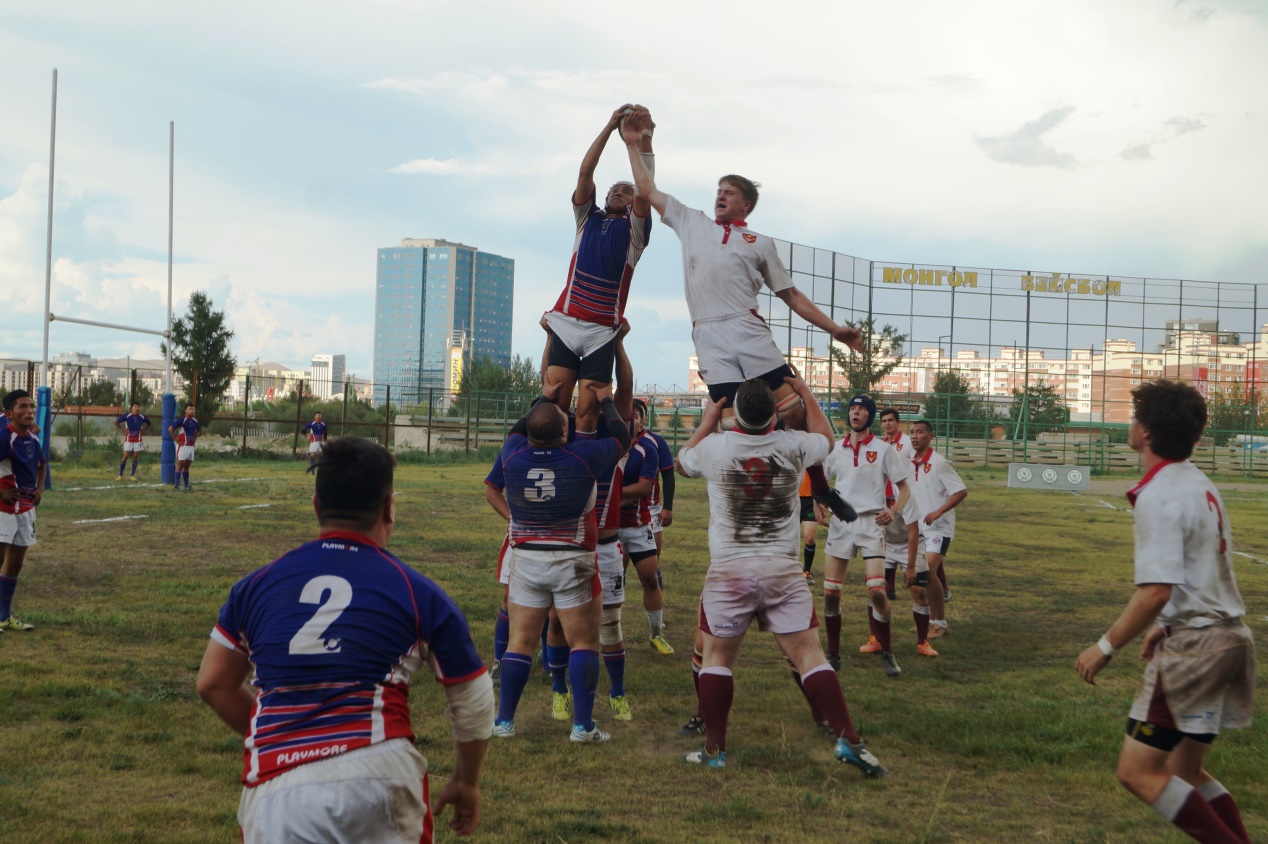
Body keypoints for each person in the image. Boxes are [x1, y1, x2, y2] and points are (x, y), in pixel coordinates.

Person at [197, 437, 492, 842]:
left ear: (317, 506)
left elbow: (213, 683)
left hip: (279, 793)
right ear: (389, 507)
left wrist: (287, 737)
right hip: (380, 775)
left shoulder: (254, 587)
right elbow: (472, 696)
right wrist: (466, 779)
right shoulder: (417, 591)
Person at [619, 109, 860, 525]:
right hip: (709, 335)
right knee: (733, 422)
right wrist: (637, 143)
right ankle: (744, 501)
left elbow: (792, 295)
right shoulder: (692, 221)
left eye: (729, 192)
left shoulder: (759, 242)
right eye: (718, 190)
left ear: (745, 203)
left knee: (796, 412)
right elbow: (646, 187)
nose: (720, 195)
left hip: (747, 329)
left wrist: (834, 329)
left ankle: (819, 487)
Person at [675, 374, 885, 776]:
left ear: (733, 413)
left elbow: (683, 463)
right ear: (776, 413)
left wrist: (706, 421)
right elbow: (826, 437)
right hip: (782, 570)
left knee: (717, 657)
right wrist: (804, 391)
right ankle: (851, 740)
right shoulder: (794, 445)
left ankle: (715, 751)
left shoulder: (714, 448)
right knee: (809, 656)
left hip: (729, 571)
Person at [1075, 381, 1255, 844]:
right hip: (1229, 637)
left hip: (1195, 649)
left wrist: (1105, 646)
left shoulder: (1160, 495)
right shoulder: (1197, 481)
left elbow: (1155, 590)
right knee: (1184, 768)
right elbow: (1196, 573)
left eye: (1135, 417)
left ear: (1147, 431)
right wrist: (1165, 624)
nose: (1130, 424)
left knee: (1138, 772)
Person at [492, 382, 631, 743]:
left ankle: (504, 721)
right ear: (565, 432)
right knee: (584, 641)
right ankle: (582, 726)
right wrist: (606, 401)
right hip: (573, 560)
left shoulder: (511, 454)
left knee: (519, 643)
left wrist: (544, 397)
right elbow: (621, 438)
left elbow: (517, 430)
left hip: (526, 558)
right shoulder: (584, 457)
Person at [541, 105, 655, 437]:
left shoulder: (635, 235)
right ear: (603, 197)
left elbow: (645, 188)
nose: (619, 192)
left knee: (588, 415)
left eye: (626, 190)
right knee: (554, 406)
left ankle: (588, 476)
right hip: (566, 322)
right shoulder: (586, 219)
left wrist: (634, 144)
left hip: (601, 331)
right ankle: (551, 465)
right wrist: (608, 128)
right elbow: (584, 173)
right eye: (614, 189)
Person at [813, 394, 911, 678]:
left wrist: (893, 512)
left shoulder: (883, 449)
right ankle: (833, 654)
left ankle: (888, 652)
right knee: (831, 594)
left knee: (878, 592)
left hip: (871, 524)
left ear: (870, 416)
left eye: (862, 410)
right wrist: (818, 504)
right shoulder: (836, 450)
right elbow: (821, 484)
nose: (856, 413)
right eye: (852, 409)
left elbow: (904, 488)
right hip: (841, 525)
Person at [905, 420, 966, 639]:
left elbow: (960, 491)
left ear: (930, 437)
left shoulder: (940, 463)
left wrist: (939, 511)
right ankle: (928, 620)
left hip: (939, 529)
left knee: (927, 572)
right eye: (911, 432)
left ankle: (939, 621)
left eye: (920, 432)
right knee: (917, 577)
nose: (914, 436)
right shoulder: (908, 463)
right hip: (917, 529)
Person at [621, 399, 672, 654]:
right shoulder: (605, 445)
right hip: (608, 529)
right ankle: (610, 631)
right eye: (625, 416)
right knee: (612, 581)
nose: (629, 421)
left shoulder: (647, 448)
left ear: (641, 421)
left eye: (634, 417)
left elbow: (644, 487)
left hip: (638, 524)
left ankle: (656, 634)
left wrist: (613, 494)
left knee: (650, 578)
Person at [0, 390, 46, 633]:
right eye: (22, 407)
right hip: (3, 510)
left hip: (26, 509)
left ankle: (4, 617)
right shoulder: (3, 437)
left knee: (15, 564)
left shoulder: (33, 439)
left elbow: (42, 464)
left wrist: (39, 488)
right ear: (9, 414)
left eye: (31, 406)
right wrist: (1, 492)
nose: (29, 411)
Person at [878, 407, 913, 599]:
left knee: (915, 538)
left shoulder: (908, 443)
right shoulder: (881, 445)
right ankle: (889, 588)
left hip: (906, 498)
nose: (887, 424)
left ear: (898, 422)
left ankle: (937, 582)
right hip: (887, 499)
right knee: (887, 540)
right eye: (884, 421)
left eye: (891, 420)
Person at [115, 402, 152, 480]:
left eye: (138, 407)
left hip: (138, 440)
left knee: (135, 456)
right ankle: (120, 475)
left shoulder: (142, 417)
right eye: (135, 406)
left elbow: (149, 423)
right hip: (129, 439)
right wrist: (123, 430)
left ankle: (132, 475)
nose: (137, 408)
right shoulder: (127, 416)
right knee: (125, 456)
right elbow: (117, 422)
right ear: (132, 408)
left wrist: (143, 430)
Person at [168, 405, 200, 491]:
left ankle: (186, 485)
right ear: (186, 410)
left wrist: (194, 442)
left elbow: (197, 432)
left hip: (190, 447)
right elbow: (170, 429)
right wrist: (177, 441)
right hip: (183, 446)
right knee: (180, 464)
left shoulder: (195, 421)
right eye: (190, 409)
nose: (191, 411)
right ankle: (176, 485)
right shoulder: (182, 419)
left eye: (193, 409)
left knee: (187, 466)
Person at [797, 471, 819, 584]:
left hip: (810, 500)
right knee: (789, 536)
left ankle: (806, 571)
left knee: (809, 537)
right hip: (792, 498)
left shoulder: (812, 455)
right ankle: (790, 571)